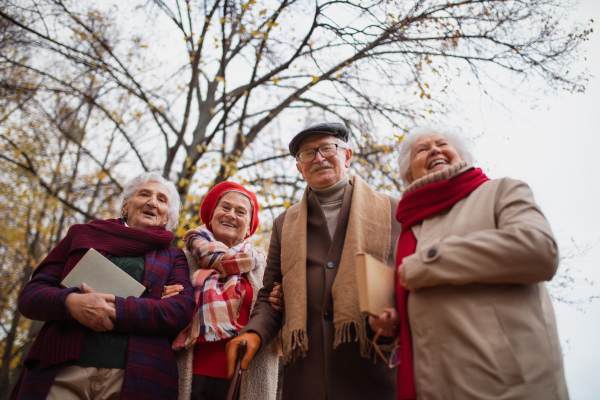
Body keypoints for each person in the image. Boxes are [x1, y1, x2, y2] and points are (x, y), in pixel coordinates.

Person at [375, 126, 568, 399]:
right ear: (409, 174)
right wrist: (392, 325)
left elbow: (540, 250)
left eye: (442, 144)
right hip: (435, 387)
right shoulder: (407, 231)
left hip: (508, 383)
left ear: (461, 157)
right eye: (422, 149)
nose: (434, 150)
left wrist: (430, 263)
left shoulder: (501, 191)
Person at [226, 122, 402, 400]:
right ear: (300, 167)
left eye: (327, 148)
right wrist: (255, 333)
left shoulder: (392, 211)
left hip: (375, 371)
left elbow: (409, 282)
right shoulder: (285, 223)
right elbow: (270, 296)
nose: (318, 158)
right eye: (308, 154)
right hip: (308, 377)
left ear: (347, 155)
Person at [10, 172, 196, 400]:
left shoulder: (173, 257)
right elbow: (31, 295)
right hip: (61, 367)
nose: (152, 202)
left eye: (161, 199)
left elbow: (181, 310)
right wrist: (70, 302)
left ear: (167, 217)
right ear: (126, 206)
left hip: (141, 376)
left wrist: (118, 310)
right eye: (144, 194)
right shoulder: (82, 235)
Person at [163, 181, 279, 400]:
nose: (231, 215)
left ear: (249, 228)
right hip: (188, 375)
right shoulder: (181, 258)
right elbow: (164, 309)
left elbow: (275, 317)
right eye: (225, 207)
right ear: (211, 215)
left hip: (245, 378)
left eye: (240, 211)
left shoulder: (264, 267)